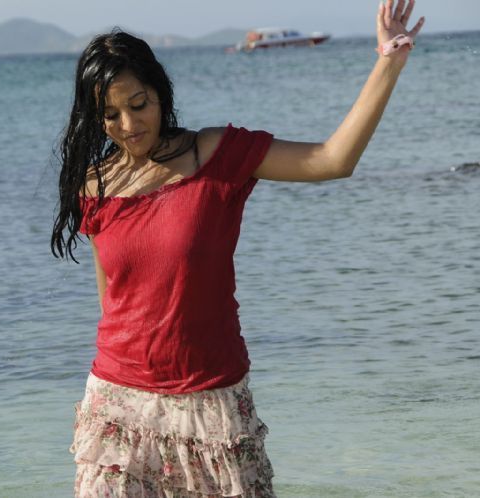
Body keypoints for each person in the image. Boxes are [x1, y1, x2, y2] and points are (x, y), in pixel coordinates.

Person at [51, 1, 425, 496]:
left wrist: (388, 61)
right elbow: (112, 299)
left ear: (160, 92)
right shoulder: (95, 185)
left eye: (139, 104)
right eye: (110, 115)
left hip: (212, 404)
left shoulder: (216, 155)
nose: (128, 124)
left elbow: (332, 159)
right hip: (118, 404)